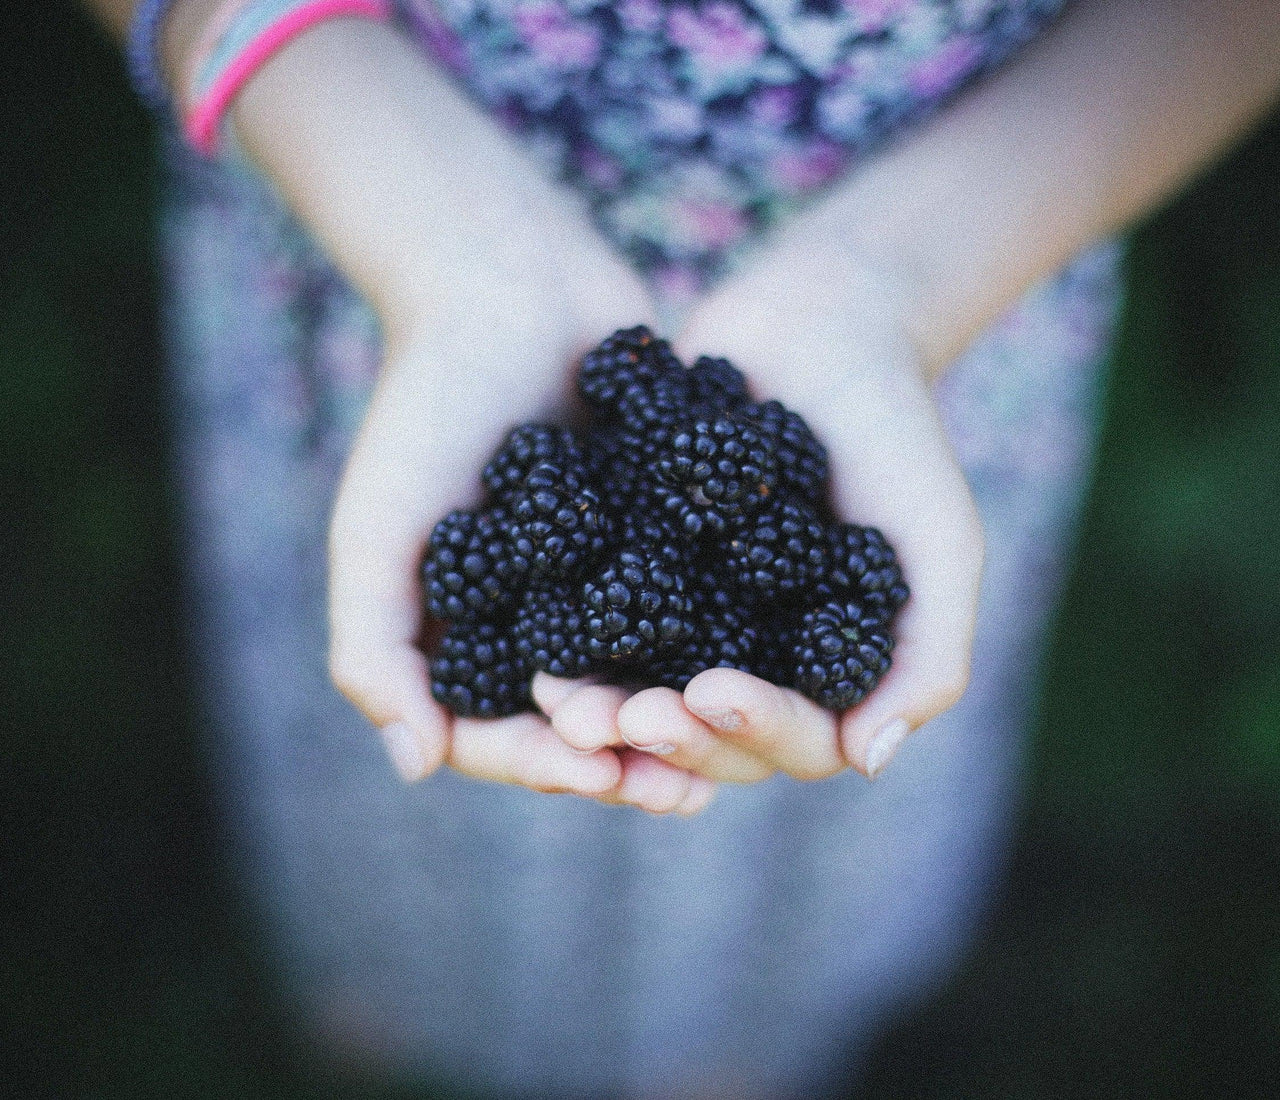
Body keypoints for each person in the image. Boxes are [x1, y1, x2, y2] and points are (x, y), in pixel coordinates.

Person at [87, 0, 1280, 1096]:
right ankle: (394, 996)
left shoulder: (739, 510)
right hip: (376, 223)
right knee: (400, 821)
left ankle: (737, 1042)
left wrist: (899, 281)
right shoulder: (590, 506)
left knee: (771, 853)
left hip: (948, 283)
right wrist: (432, 238)